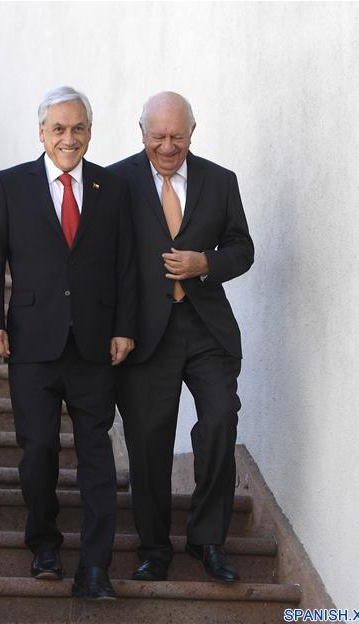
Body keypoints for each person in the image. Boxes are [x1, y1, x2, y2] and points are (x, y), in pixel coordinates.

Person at [0, 86, 136, 600]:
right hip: (32, 343)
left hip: (95, 345)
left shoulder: (113, 188)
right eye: (59, 129)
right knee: (39, 447)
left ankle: (95, 567)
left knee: (97, 456)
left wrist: (125, 327)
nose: (69, 138)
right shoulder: (10, 185)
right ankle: (44, 543)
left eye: (78, 128)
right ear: (42, 133)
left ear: (90, 132)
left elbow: (127, 266)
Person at [108, 92, 254, 583]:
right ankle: (154, 548)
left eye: (177, 136)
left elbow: (242, 248)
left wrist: (205, 262)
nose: (168, 147)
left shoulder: (220, 180)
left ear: (193, 131)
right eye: (158, 137)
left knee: (219, 421)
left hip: (206, 327)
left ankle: (207, 539)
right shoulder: (116, 181)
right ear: (141, 132)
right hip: (144, 332)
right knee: (149, 441)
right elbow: (103, 257)